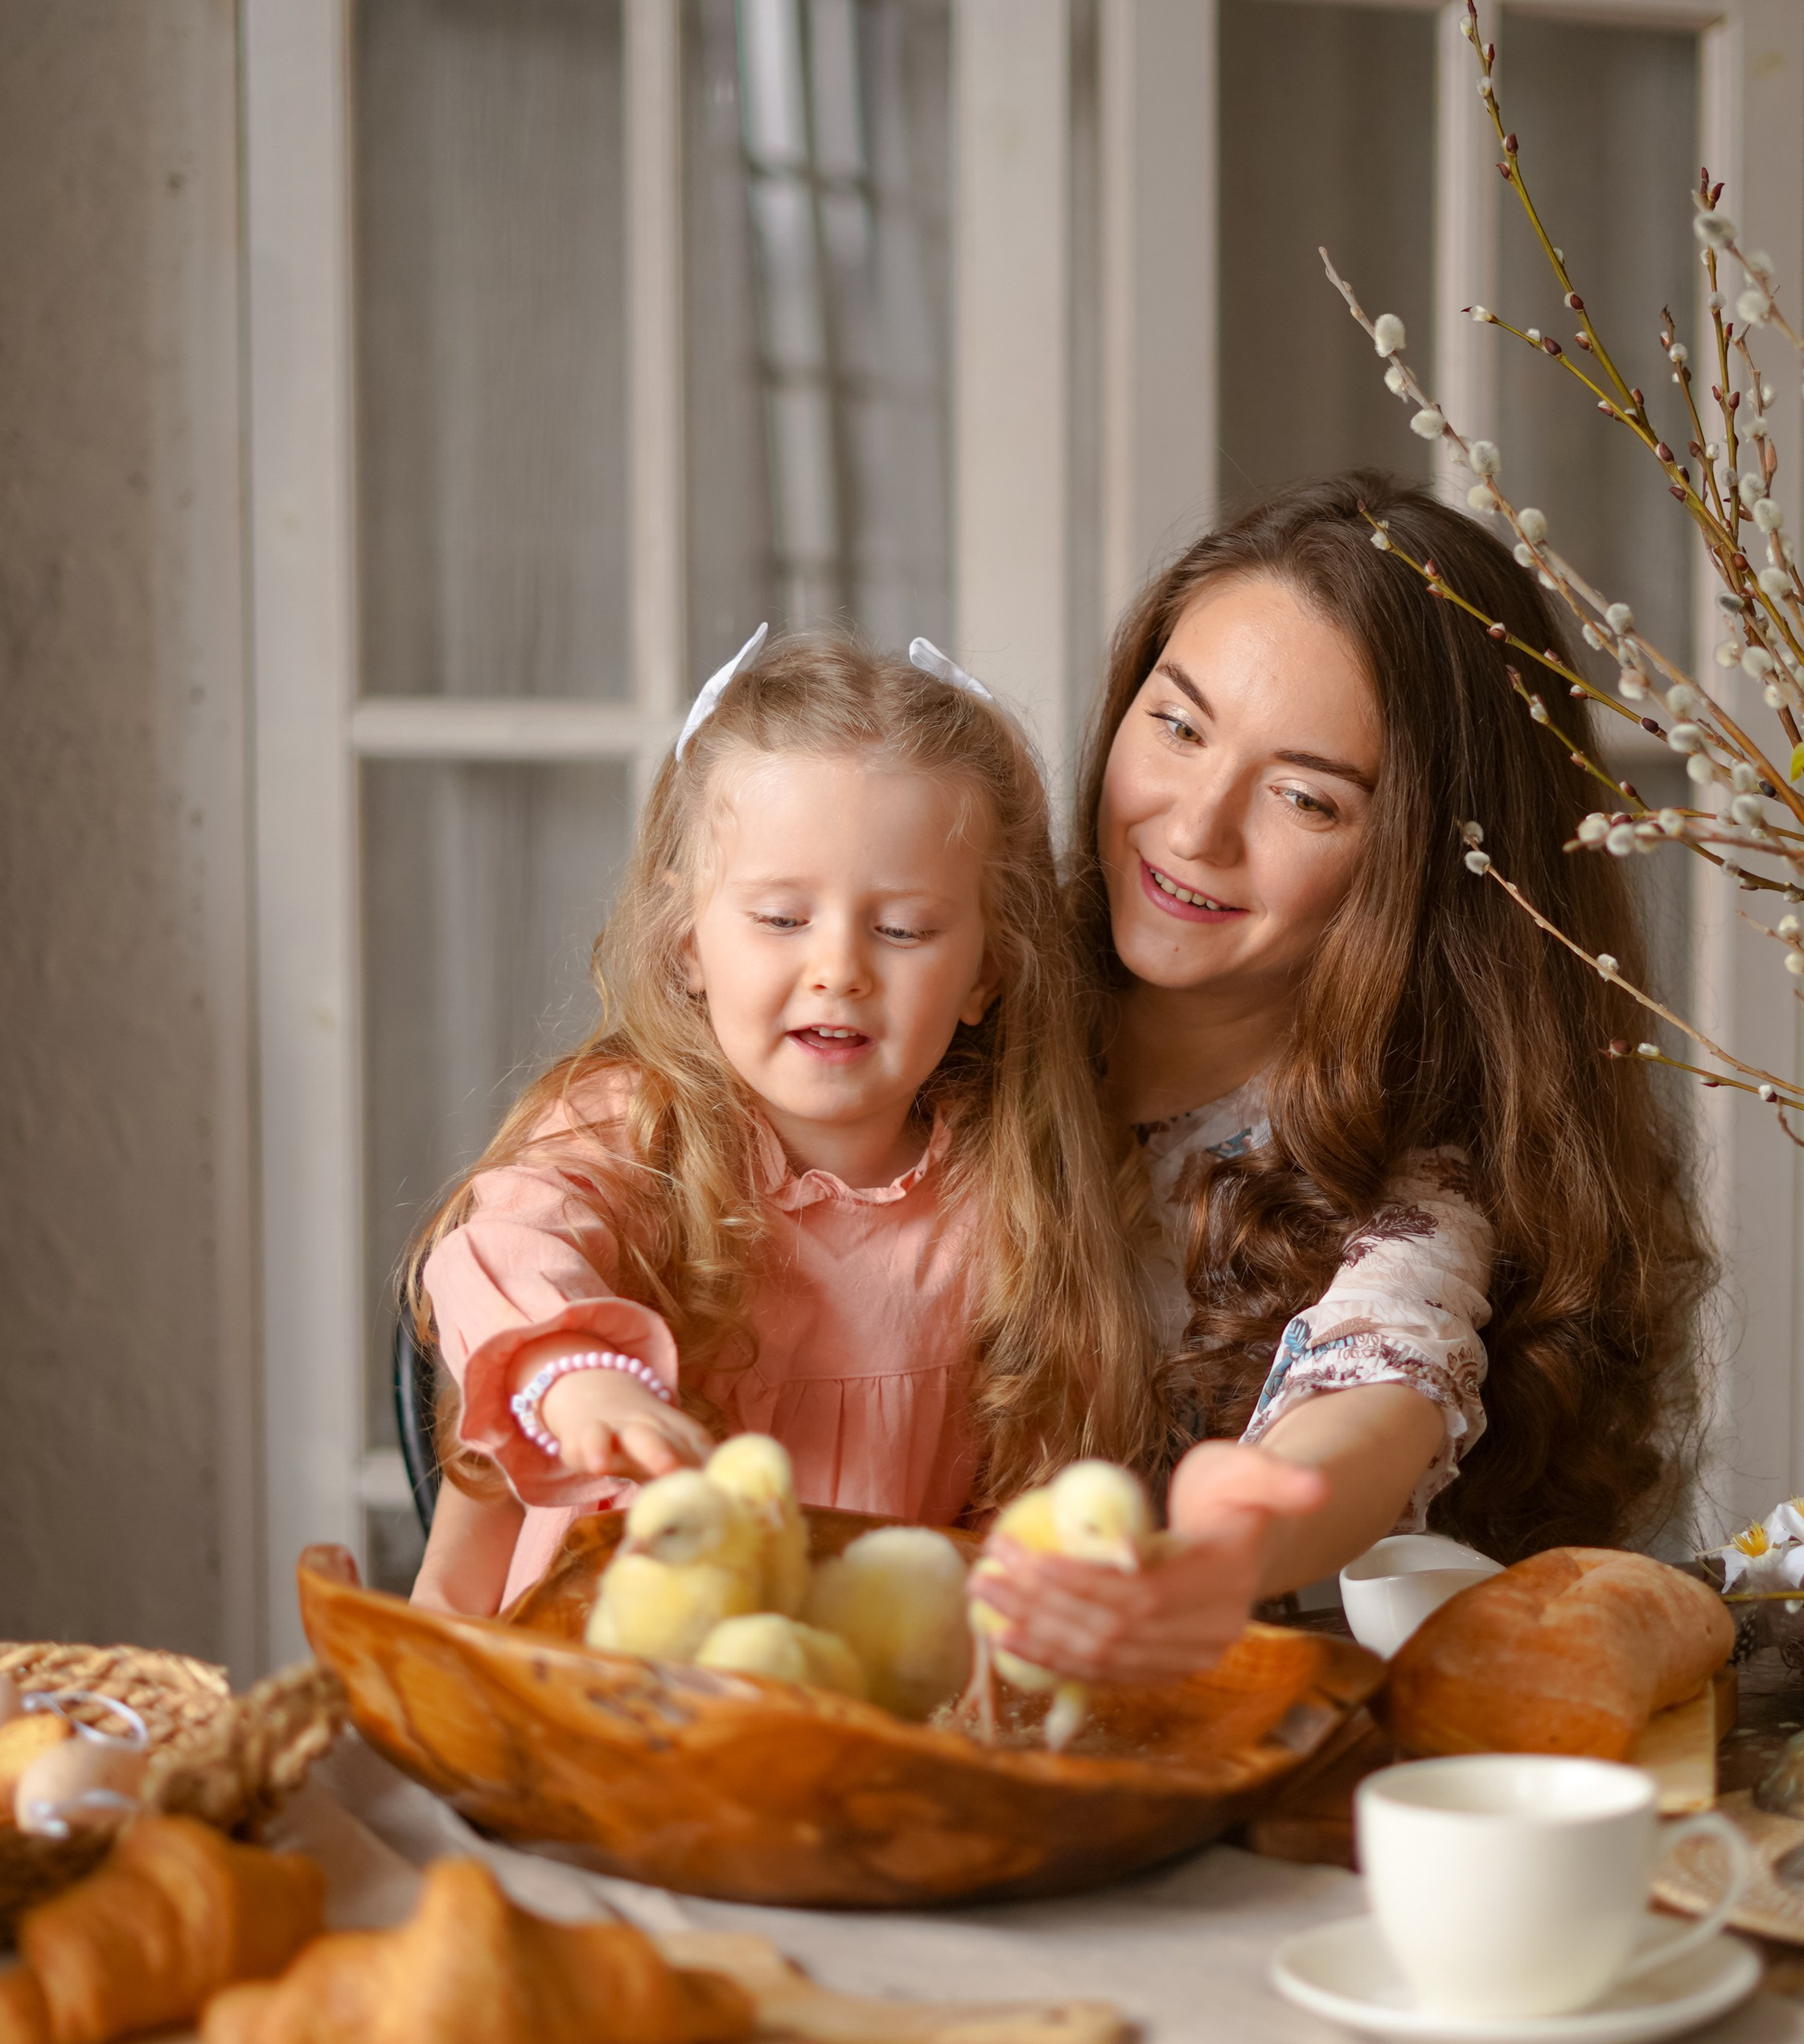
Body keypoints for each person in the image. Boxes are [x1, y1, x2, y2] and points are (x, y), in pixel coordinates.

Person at [971, 469, 1710, 1684]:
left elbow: (1379, 1391)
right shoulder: (951, 996)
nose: (1195, 826)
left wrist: (1244, 1524)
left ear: (1426, 868)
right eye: (1177, 725)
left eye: (1306, 797)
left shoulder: (1406, 1181)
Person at [407, 630, 1159, 1616]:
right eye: (779, 918)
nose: (838, 968)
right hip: (608, 1701)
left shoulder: (1012, 1195)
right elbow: (505, 1243)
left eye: (902, 929)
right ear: (686, 943)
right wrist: (577, 1379)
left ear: (985, 969)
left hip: (864, 1712)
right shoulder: (629, 1135)